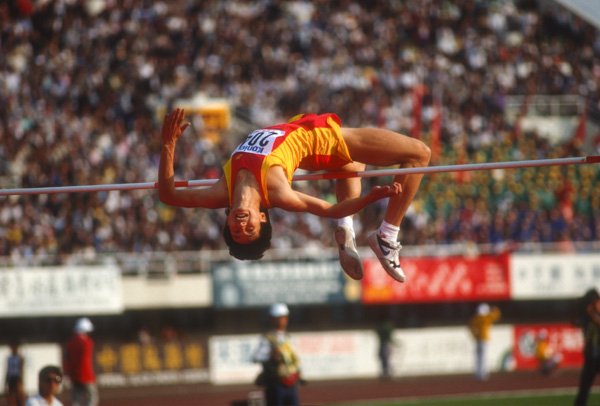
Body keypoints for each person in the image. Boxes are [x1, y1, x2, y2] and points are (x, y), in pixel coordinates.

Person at [158, 109, 430, 283]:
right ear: (263, 217)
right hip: (323, 141)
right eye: (249, 230)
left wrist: (169, 146)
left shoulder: (220, 192)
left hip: (300, 128)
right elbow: (329, 209)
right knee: (419, 153)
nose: (242, 225)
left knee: (353, 166)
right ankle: (387, 236)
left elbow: (168, 194)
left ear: (228, 221)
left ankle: (347, 228)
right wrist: (371, 197)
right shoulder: (277, 193)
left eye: (237, 230)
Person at [252, 303, 303, 406]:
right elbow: (256, 357)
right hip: (276, 383)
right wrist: (270, 355)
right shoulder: (268, 338)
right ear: (272, 319)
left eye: (283, 317)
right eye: (278, 318)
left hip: (291, 383)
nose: (281, 320)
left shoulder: (288, 337)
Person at [63, 318, 98, 406]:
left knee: (76, 400)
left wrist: (69, 374)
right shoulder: (88, 342)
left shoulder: (70, 342)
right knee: (92, 398)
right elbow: (85, 360)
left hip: (74, 376)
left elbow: (67, 359)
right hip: (86, 376)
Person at [574, 289, 600, 406]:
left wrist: (592, 313)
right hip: (591, 356)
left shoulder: (594, 315)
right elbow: (575, 322)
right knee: (584, 389)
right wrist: (578, 308)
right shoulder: (587, 316)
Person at [468, 303, 501, 381]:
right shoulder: (486, 318)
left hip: (478, 339)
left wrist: (474, 336)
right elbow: (496, 315)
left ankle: (478, 373)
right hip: (484, 339)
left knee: (478, 357)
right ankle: (483, 374)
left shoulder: (475, 318)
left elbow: (470, 326)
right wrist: (495, 309)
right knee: (484, 357)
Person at [5, 340, 25, 406]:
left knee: (19, 395)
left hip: (17, 377)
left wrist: (21, 381)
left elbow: (22, 370)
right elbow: (8, 369)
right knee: (10, 396)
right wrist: (6, 381)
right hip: (11, 377)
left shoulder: (20, 358)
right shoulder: (9, 358)